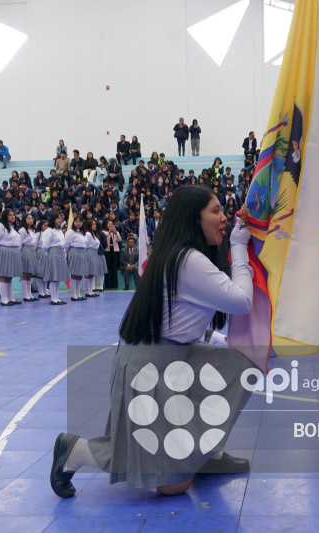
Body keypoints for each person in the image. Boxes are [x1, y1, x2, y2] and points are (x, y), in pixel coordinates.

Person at [49, 185, 255, 499]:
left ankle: (208, 455)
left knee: (239, 365)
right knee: (173, 484)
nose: (224, 217)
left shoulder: (181, 255)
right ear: (193, 219)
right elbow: (241, 300)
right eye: (215, 211)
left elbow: (188, 321)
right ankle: (75, 451)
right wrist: (239, 248)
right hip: (150, 368)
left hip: (172, 356)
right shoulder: (187, 260)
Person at [0, 209, 23, 305]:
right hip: (4, 251)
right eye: (10, 215)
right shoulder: (0, 227)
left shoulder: (12, 227)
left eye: (13, 214)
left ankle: (10, 297)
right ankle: (4, 299)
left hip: (13, 252)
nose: (13, 216)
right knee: (3, 276)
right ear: (5, 216)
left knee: (9, 276)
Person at [41, 212, 70, 305]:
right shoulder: (49, 231)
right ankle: (53, 299)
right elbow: (45, 244)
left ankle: (56, 298)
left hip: (61, 252)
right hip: (53, 252)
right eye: (58, 218)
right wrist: (49, 253)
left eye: (61, 218)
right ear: (53, 220)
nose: (60, 219)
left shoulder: (59, 230)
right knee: (54, 276)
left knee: (58, 277)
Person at [64, 215, 89, 302]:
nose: (78, 223)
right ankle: (73, 295)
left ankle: (78, 294)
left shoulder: (83, 233)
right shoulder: (70, 232)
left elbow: (86, 244)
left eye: (80, 222)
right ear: (73, 222)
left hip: (82, 253)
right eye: (76, 221)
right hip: (74, 252)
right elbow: (66, 244)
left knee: (79, 274)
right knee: (74, 274)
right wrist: (67, 255)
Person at [18, 213, 38, 302]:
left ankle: (30, 294)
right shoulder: (22, 230)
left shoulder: (32, 230)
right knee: (25, 273)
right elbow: (19, 242)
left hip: (32, 250)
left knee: (29, 274)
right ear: (24, 220)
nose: (30, 220)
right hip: (25, 250)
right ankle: (26, 295)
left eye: (31, 218)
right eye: (28, 218)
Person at [84, 218, 104, 297]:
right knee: (88, 273)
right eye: (92, 224)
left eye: (95, 224)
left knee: (92, 273)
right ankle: (88, 291)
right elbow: (85, 245)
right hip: (89, 253)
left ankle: (91, 291)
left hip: (95, 253)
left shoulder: (94, 234)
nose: (94, 226)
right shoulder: (88, 234)